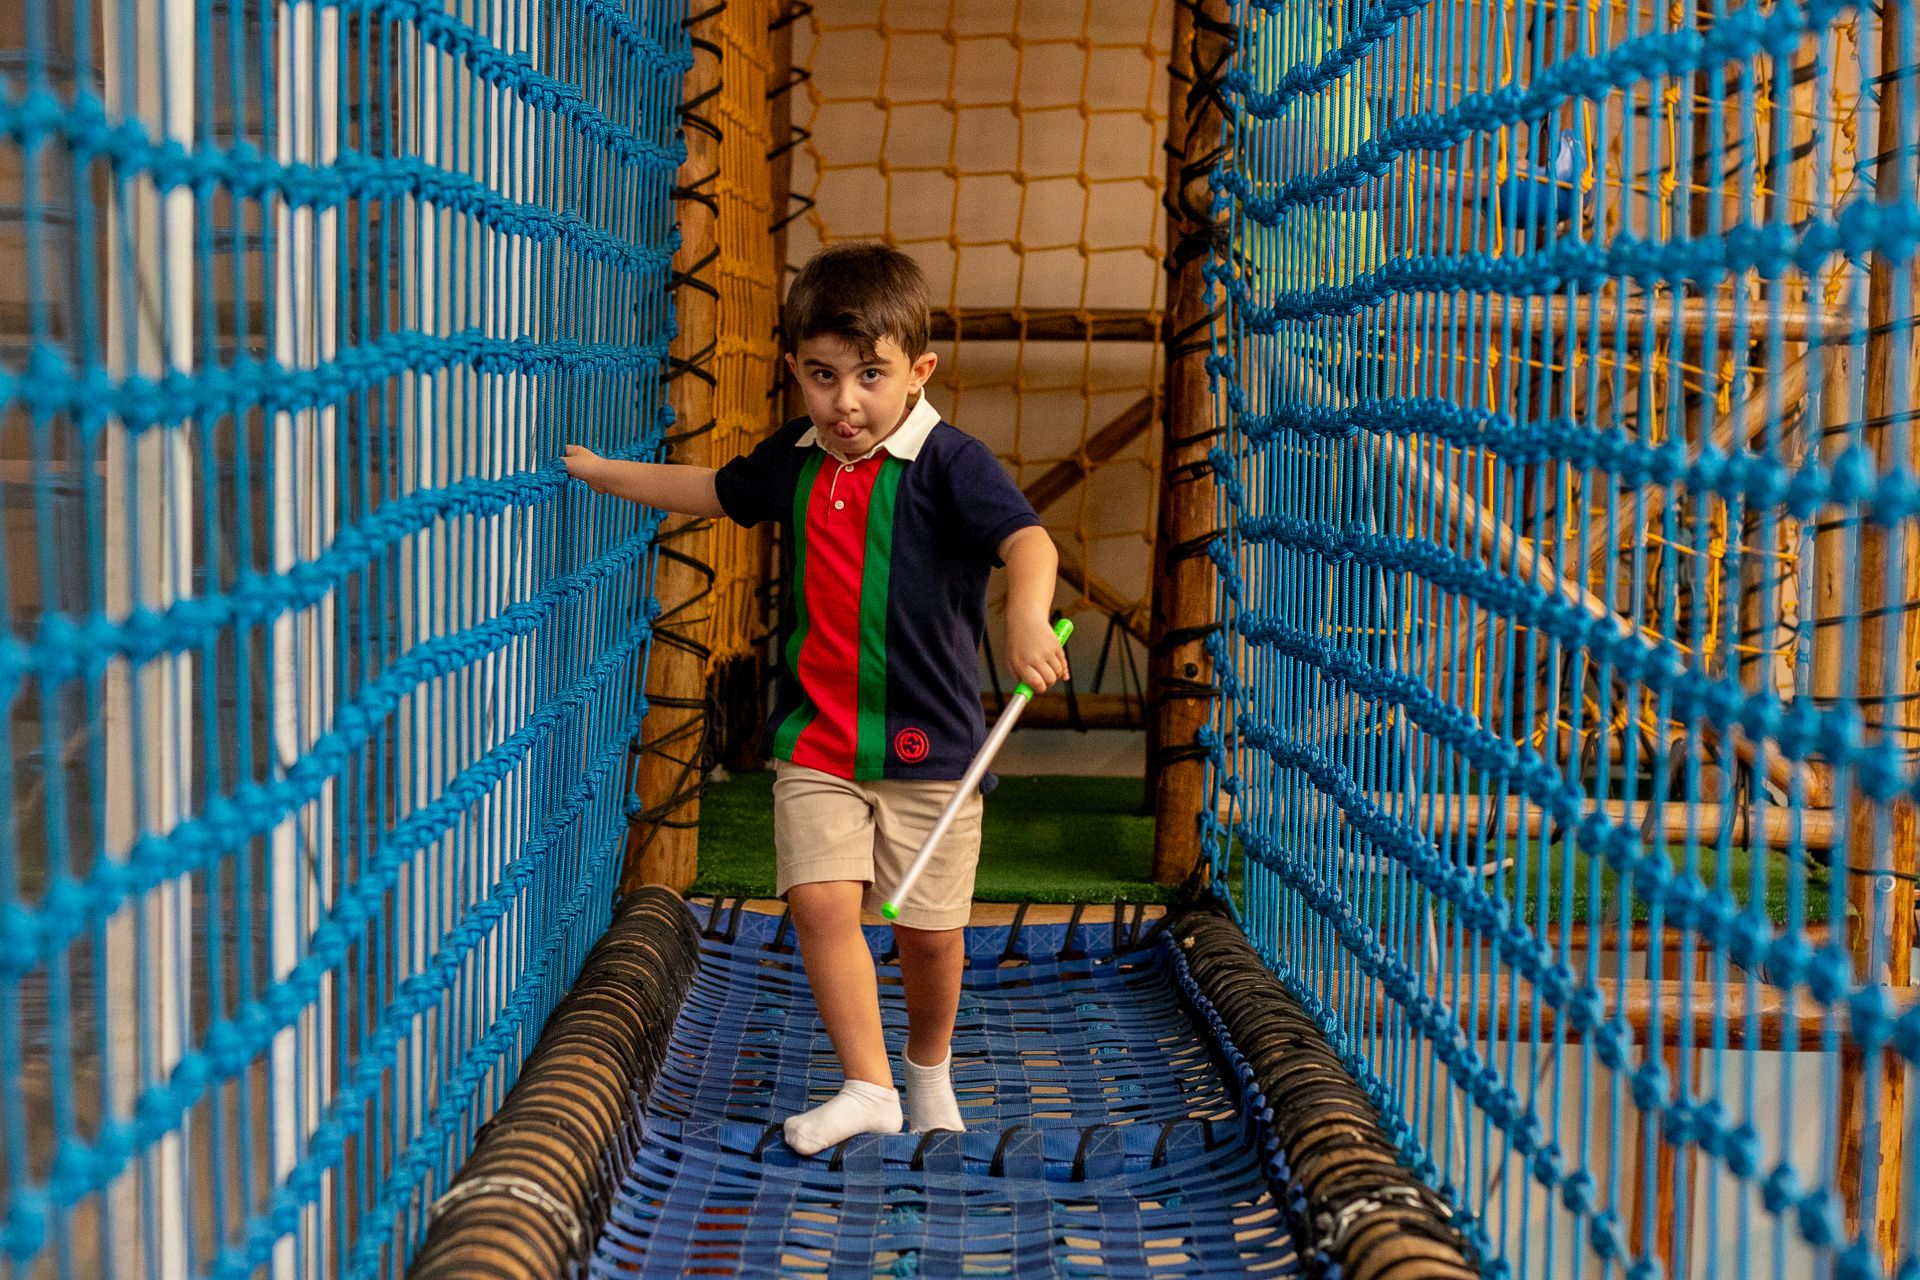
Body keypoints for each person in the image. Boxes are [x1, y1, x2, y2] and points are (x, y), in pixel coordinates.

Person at [561, 241, 1067, 1155]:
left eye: (870, 376)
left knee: (930, 934)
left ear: (918, 373)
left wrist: (1027, 619)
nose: (846, 402)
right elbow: (708, 491)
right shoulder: (795, 461)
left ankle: (925, 1070)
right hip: (817, 741)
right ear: (794, 370)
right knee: (824, 903)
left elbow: (1028, 542)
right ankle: (869, 1086)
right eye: (824, 377)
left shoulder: (950, 462)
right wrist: (604, 475)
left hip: (933, 746)